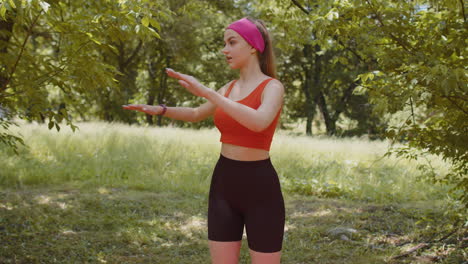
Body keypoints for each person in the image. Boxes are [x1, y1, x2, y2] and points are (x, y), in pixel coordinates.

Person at [123, 17, 285, 264]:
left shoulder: (272, 87)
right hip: (224, 184)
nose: (225, 50)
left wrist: (207, 91)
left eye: (232, 42)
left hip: (261, 188)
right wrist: (161, 110)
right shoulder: (228, 88)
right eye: (224, 43)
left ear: (253, 46)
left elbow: (259, 122)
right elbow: (196, 113)